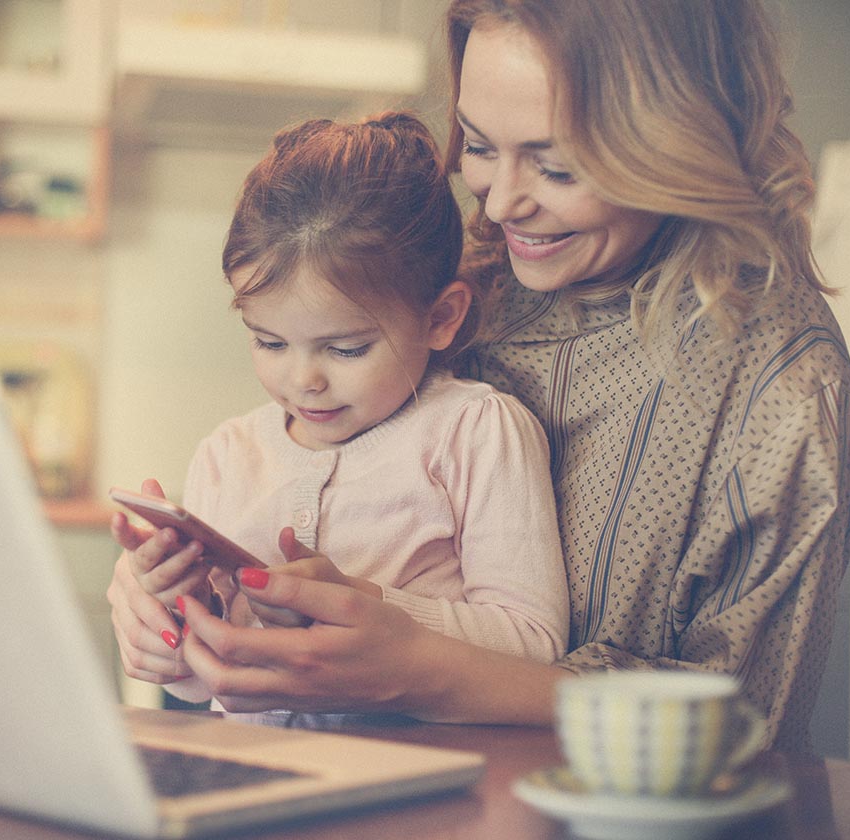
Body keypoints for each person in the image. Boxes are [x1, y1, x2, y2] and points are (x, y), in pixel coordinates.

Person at [107, 0, 850, 753]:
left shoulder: (780, 388)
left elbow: (744, 730)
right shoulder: (459, 287)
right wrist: (152, 606)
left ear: (680, 137)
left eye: (557, 165)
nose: (499, 203)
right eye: (476, 144)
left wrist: (422, 670)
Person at [109, 112, 569, 706]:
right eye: (269, 342)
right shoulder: (226, 455)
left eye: (347, 348)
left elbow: (534, 644)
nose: (304, 381)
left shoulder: (475, 431)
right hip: (258, 779)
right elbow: (204, 690)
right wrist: (174, 623)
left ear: (440, 318)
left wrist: (364, 606)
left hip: (421, 784)